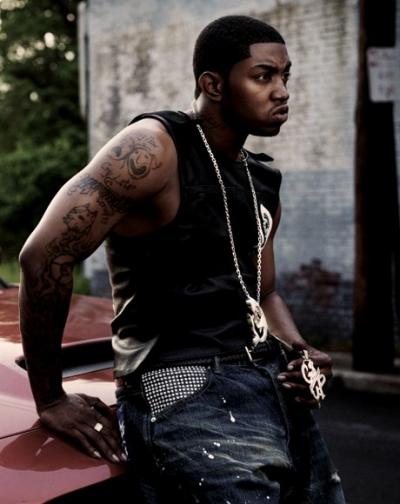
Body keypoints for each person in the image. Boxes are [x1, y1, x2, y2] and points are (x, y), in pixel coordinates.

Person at [19, 15, 345, 503]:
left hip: (270, 387)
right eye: (263, 76)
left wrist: (301, 351)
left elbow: (263, 292)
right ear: (213, 85)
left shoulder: (261, 179)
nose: (282, 92)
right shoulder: (154, 148)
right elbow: (45, 255)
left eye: (285, 76)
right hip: (184, 388)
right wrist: (50, 397)